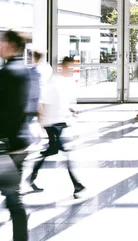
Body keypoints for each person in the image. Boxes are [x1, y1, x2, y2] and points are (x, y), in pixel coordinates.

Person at [30, 56, 85, 196]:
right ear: (62, 67)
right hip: (51, 123)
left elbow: (62, 102)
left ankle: (31, 177)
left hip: (59, 121)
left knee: (52, 150)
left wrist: (71, 110)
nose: (70, 70)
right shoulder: (53, 82)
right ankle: (76, 184)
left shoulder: (64, 82)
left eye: (72, 68)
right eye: (69, 67)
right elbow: (42, 102)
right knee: (64, 152)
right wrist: (41, 122)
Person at [0, 29, 30, 241]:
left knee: (13, 198)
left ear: (11, 45)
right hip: (20, 141)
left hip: (6, 146)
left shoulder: (6, 74)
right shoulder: (24, 71)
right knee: (12, 196)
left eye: (2, 41)